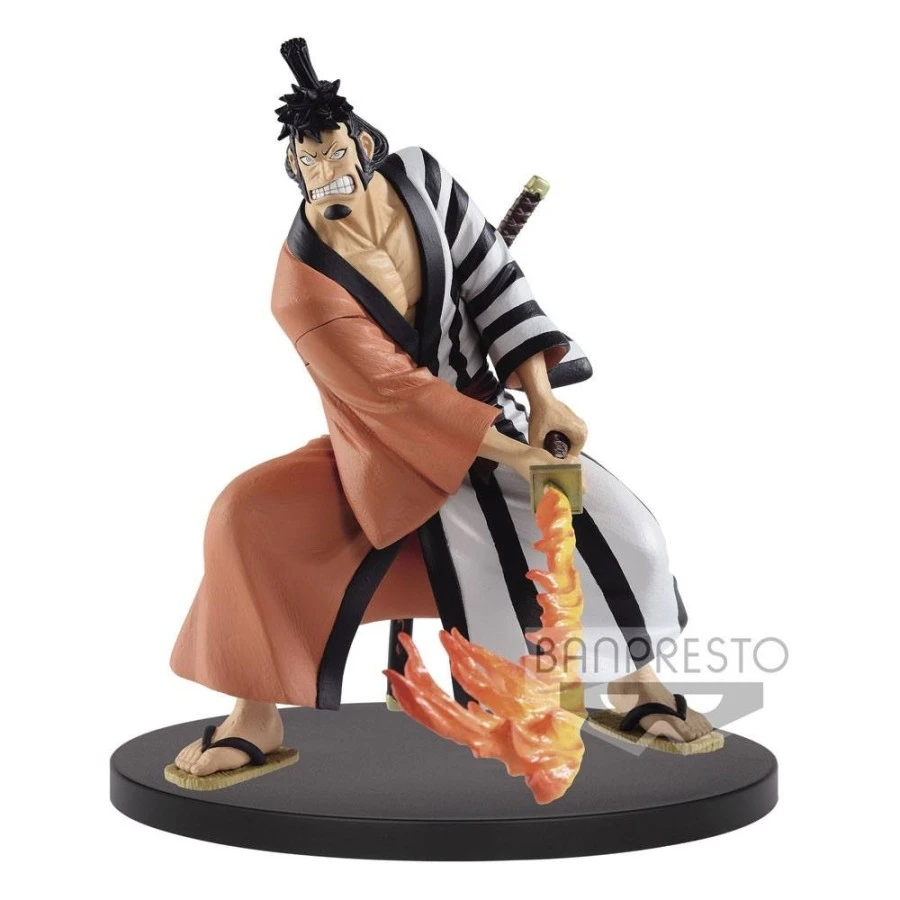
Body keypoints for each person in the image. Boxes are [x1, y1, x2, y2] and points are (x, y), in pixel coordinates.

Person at [171, 38, 712, 780]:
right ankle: (252, 717)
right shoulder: (301, 287)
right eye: (308, 162)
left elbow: (495, 279)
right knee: (246, 517)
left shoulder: (424, 179)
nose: (325, 173)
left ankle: (634, 682)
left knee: (629, 534)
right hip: (386, 451)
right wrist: (516, 455)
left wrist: (542, 401)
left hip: (497, 416)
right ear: (292, 170)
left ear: (365, 147)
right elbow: (398, 398)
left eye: (334, 153)